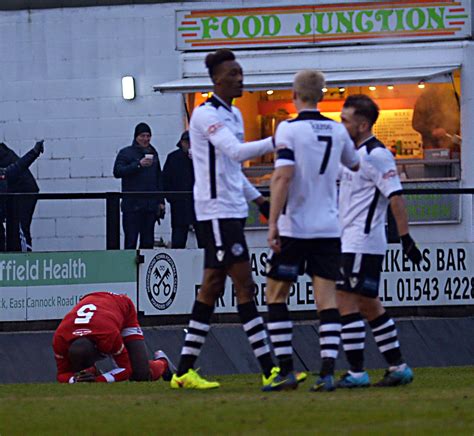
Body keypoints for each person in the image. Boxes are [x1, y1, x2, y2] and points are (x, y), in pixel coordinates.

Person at [170, 49, 285, 390]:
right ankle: (270, 370)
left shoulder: (234, 114)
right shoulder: (205, 115)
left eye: (240, 72)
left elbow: (232, 168)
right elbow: (235, 152)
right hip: (216, 213)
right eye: (233, 73)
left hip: (231, 210)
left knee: (211, 288)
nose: (240, 78)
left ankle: (183, 372)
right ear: (217, 79)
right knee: (245, 286)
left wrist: (259, 200)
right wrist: (277, 140)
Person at [263, 70, 360, 392]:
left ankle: (288, 370)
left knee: (276, 295)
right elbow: (355, 164)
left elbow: (284, 176)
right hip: (329, 227)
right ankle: (327, 373)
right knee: (326, 301)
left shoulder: (287, 129)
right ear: (321, 95)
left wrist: (274, 221)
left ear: (294, 93)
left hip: (296, 226)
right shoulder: (336, 129)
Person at [337, 94, 422, 388]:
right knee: (352, 300)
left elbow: (395, 196)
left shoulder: (376, 154)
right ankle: (375, 369)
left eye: (345, 119)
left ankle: (378, 369)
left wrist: (405, 238)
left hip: (363, 241)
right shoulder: (352, 153)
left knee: (363, 302)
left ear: (361, 124)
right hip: (349, 241)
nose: (341, 123)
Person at [52, 292, 175, 383]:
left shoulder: (107, 337)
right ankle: (91, 371)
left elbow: (126, 369)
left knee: (140, 374)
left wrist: (98, 380)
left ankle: (163, 363)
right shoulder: (60, 339)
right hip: (98, 309)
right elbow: (62, 374)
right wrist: (74, 379)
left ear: (99, 350)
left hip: (122, 308)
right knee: (80, 373)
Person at [113, 123, 165, 249]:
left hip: (150, 206)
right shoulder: (125, 153)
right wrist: (138, 165)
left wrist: (160, 201)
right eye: (142, 136)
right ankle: (128, 268)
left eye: (148, 136)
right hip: (132, 206)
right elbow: (118, 171)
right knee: (131, 241)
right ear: (136, 137)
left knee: (148, 242)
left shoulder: (154, 153)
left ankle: (145, 268)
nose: (146, 139)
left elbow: (159, 178)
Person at [162, 130, 205, 248]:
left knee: (204, 239)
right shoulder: (173, 158)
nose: (190, 145)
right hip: (180, 204)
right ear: (181, 143)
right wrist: (171, 198)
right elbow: (165, 179)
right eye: (187, 142)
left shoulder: (203, 158)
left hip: (199, 204)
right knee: (179, 239)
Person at [0, 140, 44, 252]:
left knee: (16, 234)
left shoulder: (4, 172)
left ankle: (25, 258)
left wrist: (34, 152)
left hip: (21, 194)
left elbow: (16, 168)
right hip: (10, 197)